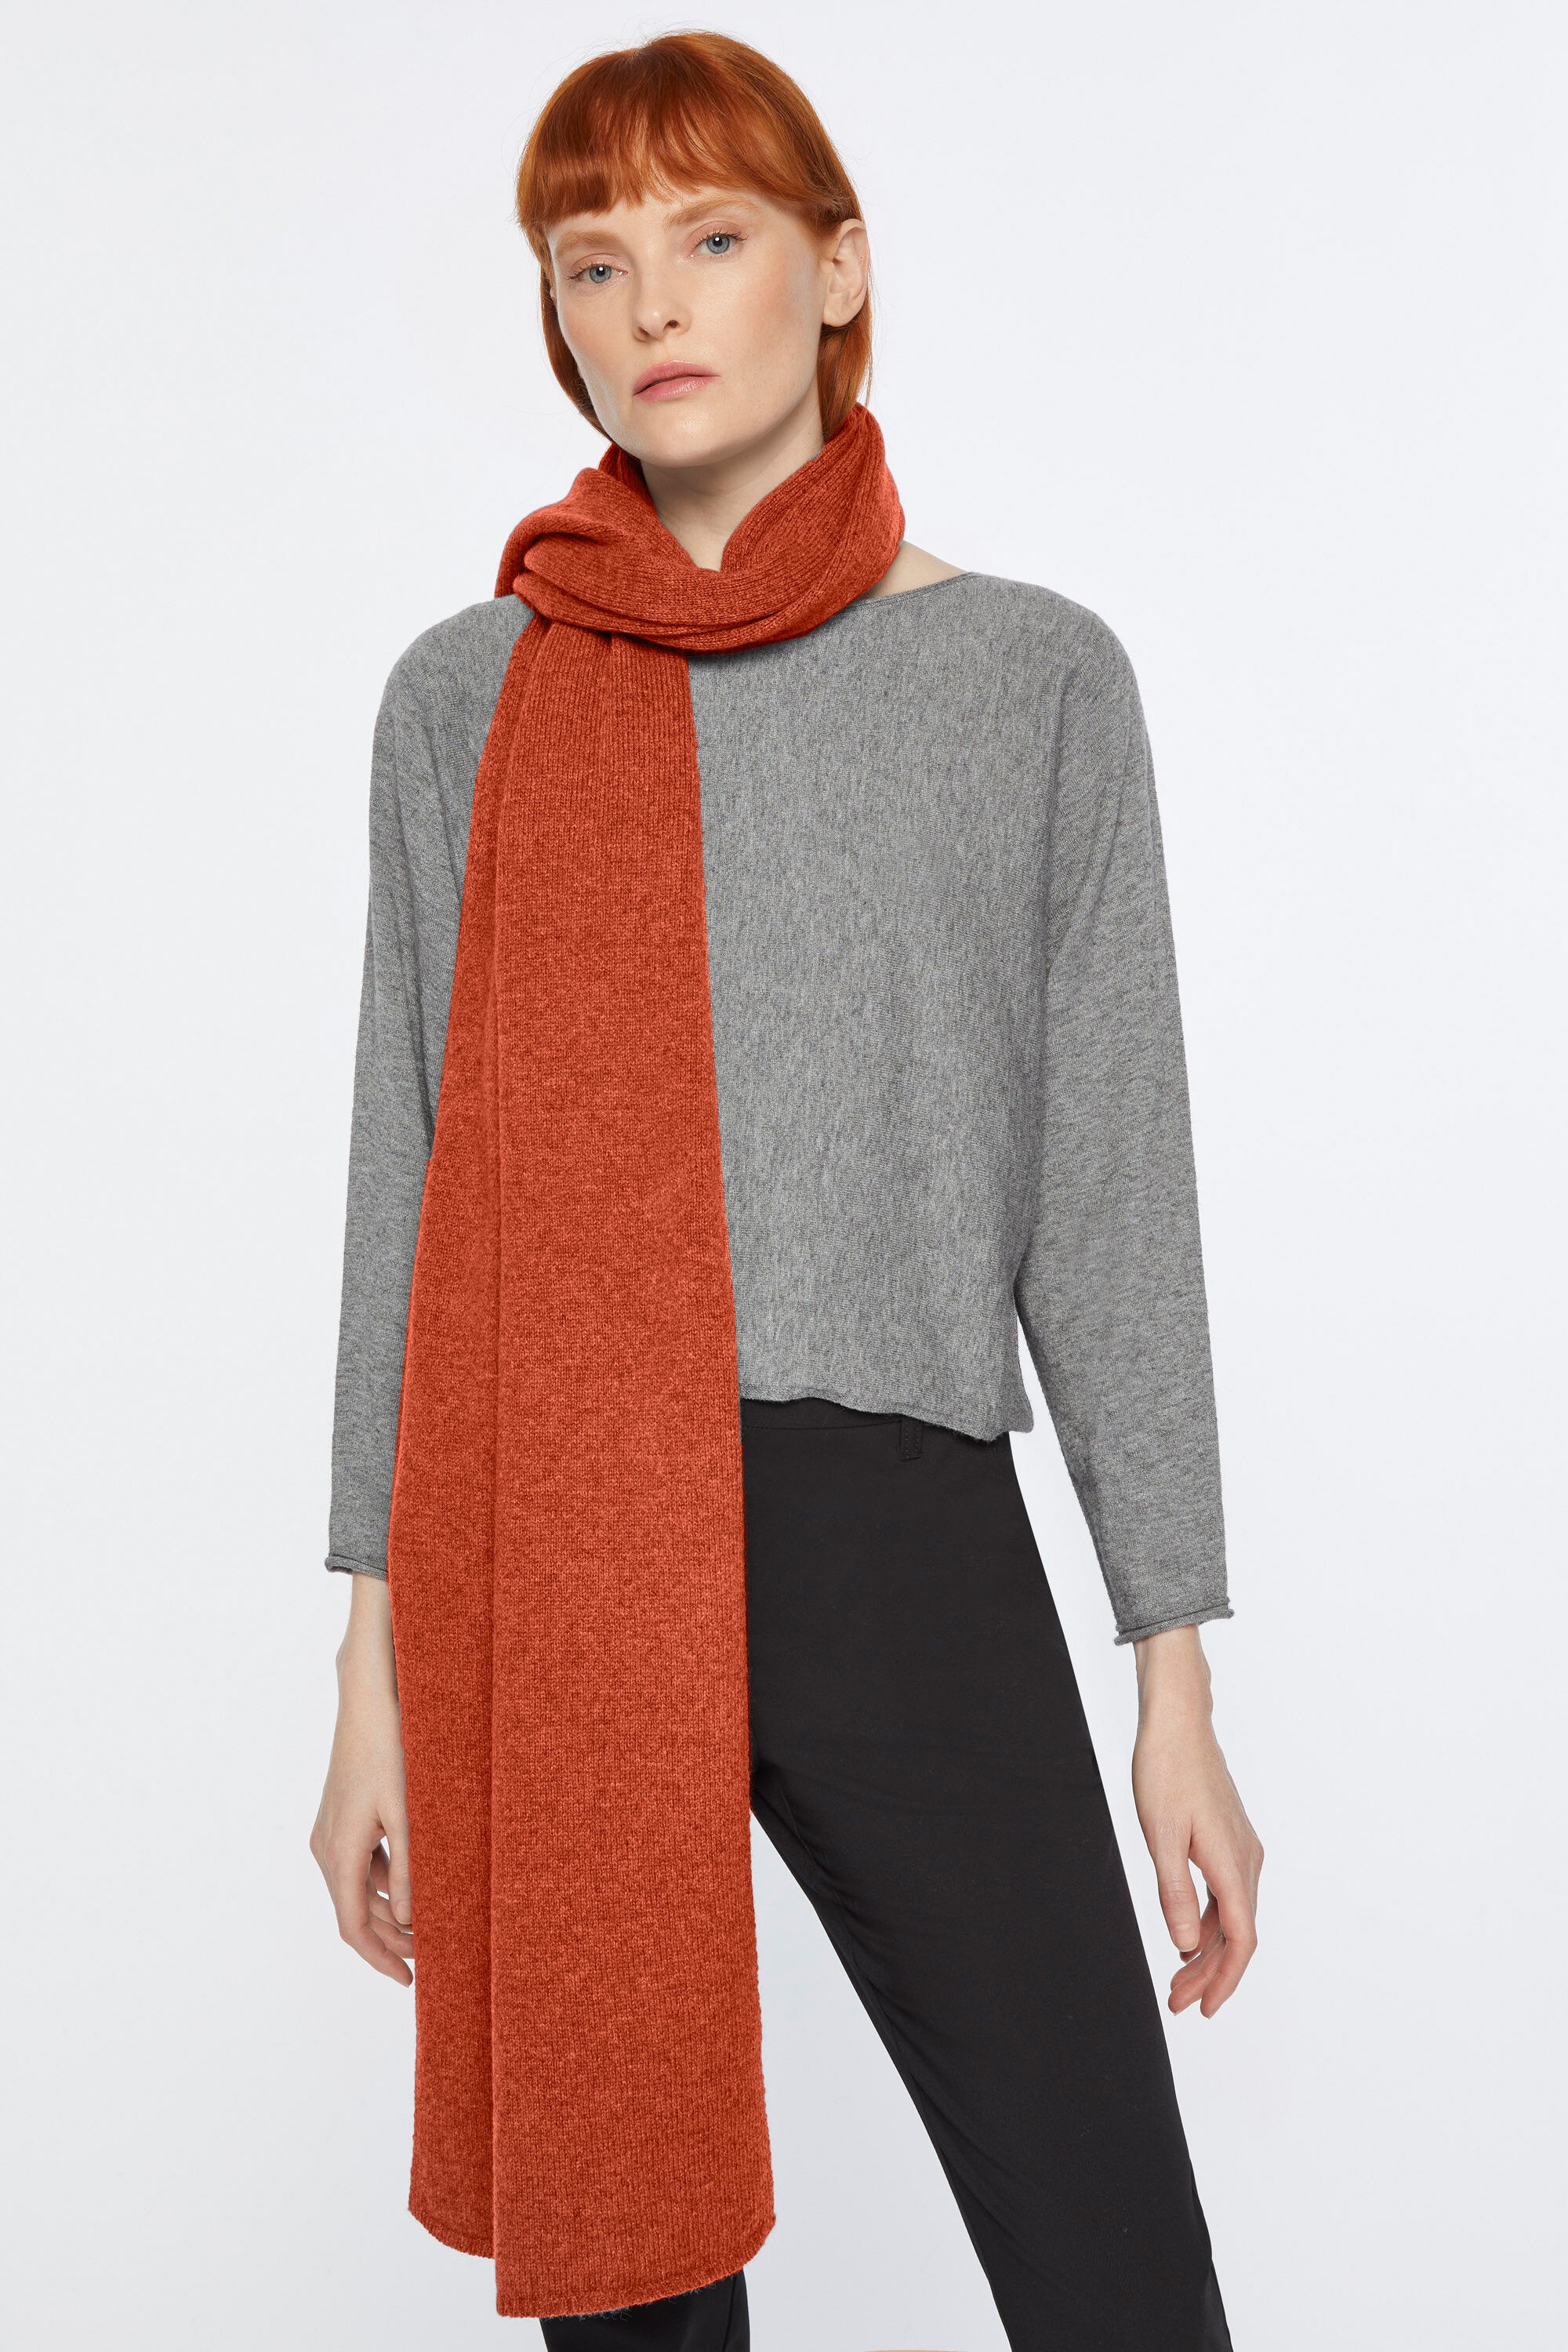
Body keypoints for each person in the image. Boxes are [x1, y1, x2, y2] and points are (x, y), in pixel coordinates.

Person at [310, 30, 1263, 2352]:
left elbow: (1109, 1185)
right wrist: (372, 1671)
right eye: (592, 259)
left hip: (892, 1529)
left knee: (1116, 2270)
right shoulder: (466, 700)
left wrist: (1170, 1669)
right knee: (632, 2295)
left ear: (836, 272)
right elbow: (407, 1174)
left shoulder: (1032, 680)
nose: (650, 302)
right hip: (558, 1531)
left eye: (712, 235)